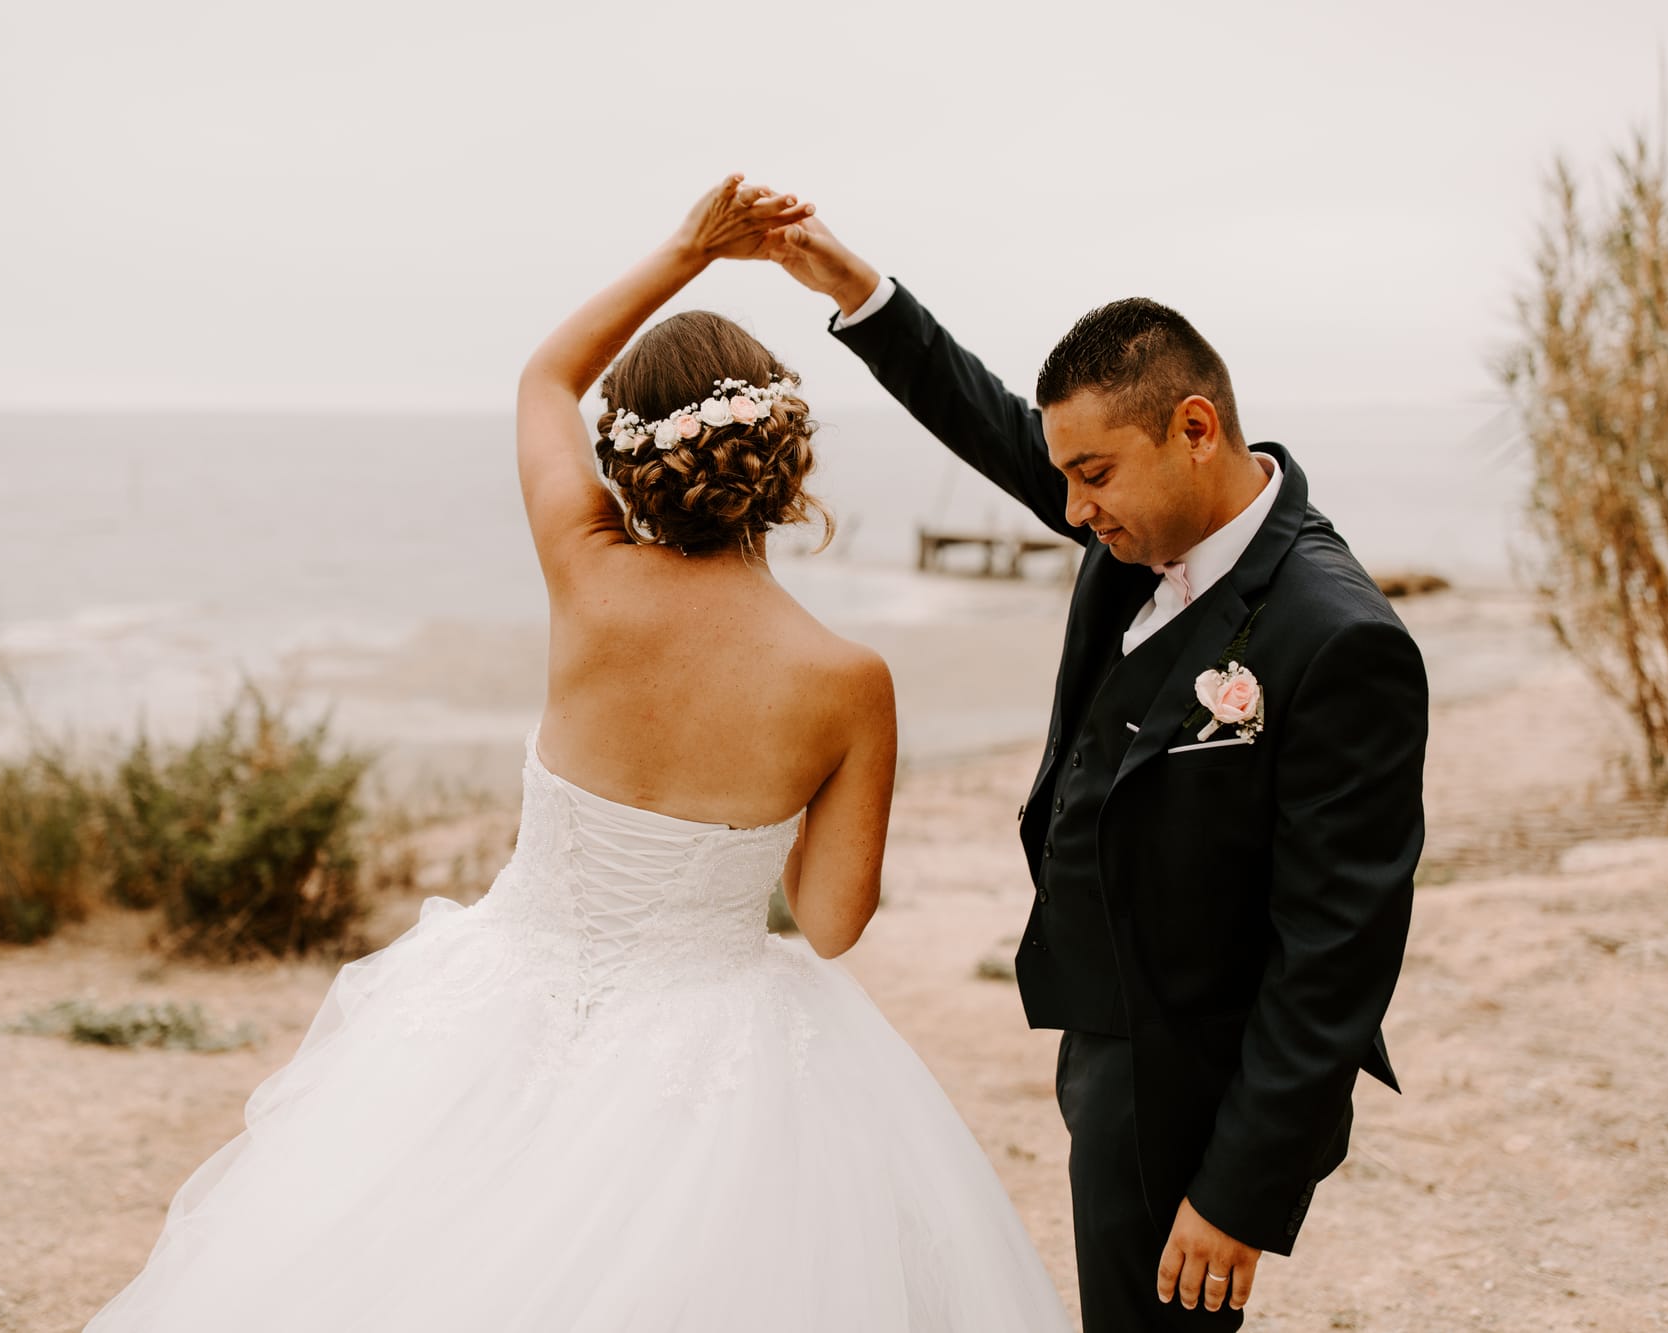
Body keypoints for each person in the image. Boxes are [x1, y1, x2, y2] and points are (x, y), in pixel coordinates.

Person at [84, 176, 1073, 1332]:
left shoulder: (583, 572)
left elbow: (543, 375)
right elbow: (832, 923)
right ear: (787, 466)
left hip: (491, 1003)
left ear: (628, 462)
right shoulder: (848, 682)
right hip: (713, 1046)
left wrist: (689, 250)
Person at [763, 214, 1429, 1330]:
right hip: (1109, 1029)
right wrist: (848, 283)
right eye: (1064, 474)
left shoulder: (1338, 637)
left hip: (1198, 1074)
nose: (1070, 509)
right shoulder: (1136, 525)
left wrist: (1235, 1193)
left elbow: (1337, 949)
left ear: (1195, 429)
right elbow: (977, 413)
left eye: (1090, 475)